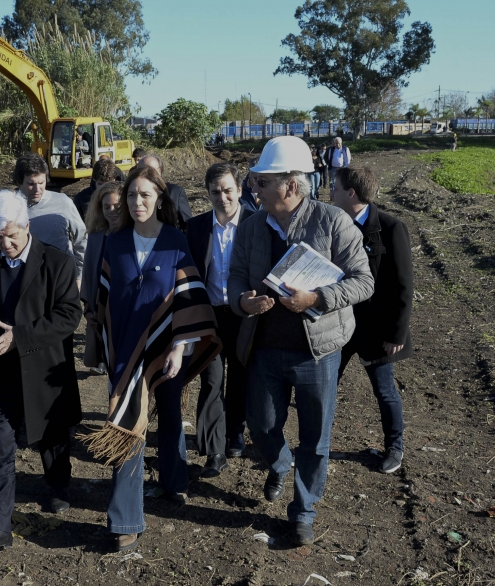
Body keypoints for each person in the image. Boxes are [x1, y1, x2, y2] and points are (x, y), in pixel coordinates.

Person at [228, 136, 373, 547]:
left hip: (318, 352)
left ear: (291, 185)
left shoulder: (333, 222)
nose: (253, 187)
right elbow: (236, 275)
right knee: (261, 423)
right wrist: (243, 299)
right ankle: (280, 462)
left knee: (316, 437)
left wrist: (318, 299)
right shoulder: (252, 225)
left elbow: (364, 282)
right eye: (256, 181)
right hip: (265, 347)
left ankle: (303, 510)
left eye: (262, 181)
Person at [80, 165, 220, 553]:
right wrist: (105, 344)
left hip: (167, 349)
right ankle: (125, 519)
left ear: (159, 198)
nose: (137, 202)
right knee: (128, 424)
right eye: (131, 196)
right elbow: (106, 300)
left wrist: (179, 347)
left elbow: (189, 296)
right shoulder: (115, 242)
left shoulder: (176, 241)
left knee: (170, 414)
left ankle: (174, 484)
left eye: (144, 195)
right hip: (124, 352)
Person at [0, 190, 82, 553]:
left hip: (44, 370)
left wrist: (20, 337)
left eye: (12, 235)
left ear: (27, 226)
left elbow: (68, 316)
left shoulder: (56, 262)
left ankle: (58, 484)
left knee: (52, 435)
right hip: (2, 373)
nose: (6, 243)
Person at [330, 167, 412, 474]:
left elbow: (404, 285)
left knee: (384, 390)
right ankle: (318, 444)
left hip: (376, 330)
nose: (330, 193)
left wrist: (397, 333)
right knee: (325, 386)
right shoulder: (334, 224)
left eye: (335, 188)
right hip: (338, 324)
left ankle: (395, 447)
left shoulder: (390, 228)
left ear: (351, 193)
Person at [186, 163, 254, 477]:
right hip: (210, 316)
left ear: (240, 190)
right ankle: (213, 451)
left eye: (228, 190)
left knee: (241, 375)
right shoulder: (197, 227)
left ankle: (235, 431)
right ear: (208, 194)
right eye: (215, 192)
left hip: (243, 315)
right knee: (211, 380)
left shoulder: (256, 224)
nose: (222, 197)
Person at [14, 153, 87, 289]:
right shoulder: (10, 206)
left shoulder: (63, 202)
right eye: (31, 184)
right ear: (19, 182)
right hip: (25, 281)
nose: (37, 189)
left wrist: (79, 275)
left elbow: (81, 239)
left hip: (62, 279)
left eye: (41, 183)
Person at [80, 182, 122, 375]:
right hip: (100, 308)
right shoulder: (96, 237)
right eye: (107, 207)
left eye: (117, 206)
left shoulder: (132, 235)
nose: (112, 211)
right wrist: (89, 308)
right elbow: (89, 273)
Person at [138, 154, 193, 231]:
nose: (145, 173)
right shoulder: (133, 195)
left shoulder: (175, 193)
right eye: (141, 170)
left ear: (159, 170)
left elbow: (188, 225)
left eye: (150, 170)